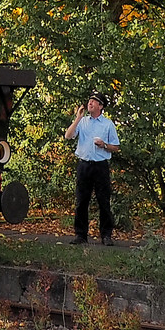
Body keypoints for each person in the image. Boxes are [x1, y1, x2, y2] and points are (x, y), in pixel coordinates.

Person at [65, 91, 119, 245]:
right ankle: (80, 235)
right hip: (84, 165)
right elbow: (68, 136)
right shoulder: (82, 122)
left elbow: (116, 147)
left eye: (94, 101)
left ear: (101, 106)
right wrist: (77, 117)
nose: (90, 103)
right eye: (89, 101)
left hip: (100, 166)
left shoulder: (108, 124)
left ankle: (106, 235)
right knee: (82, 201)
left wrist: (105, 145)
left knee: (104, 201)